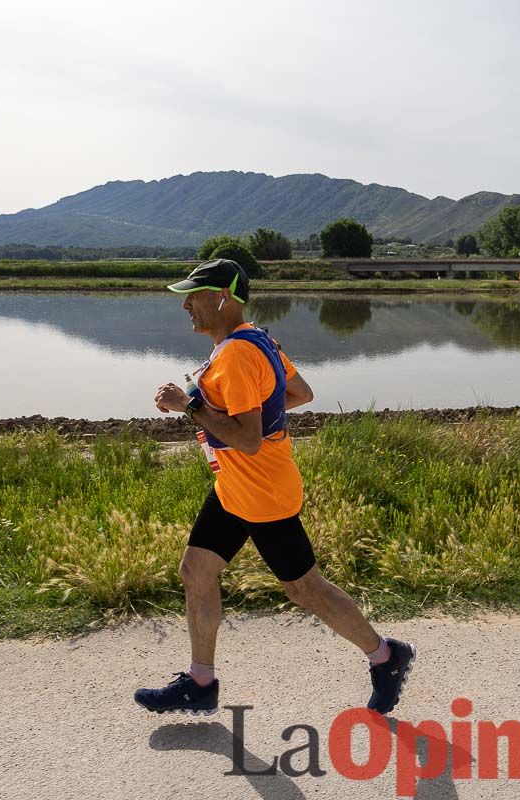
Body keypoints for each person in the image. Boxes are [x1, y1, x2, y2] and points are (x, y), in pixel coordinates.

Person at [134, 258, 416, 716]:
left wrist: (189, 407)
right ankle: (201, 683)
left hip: (262, 493)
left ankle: (387, 657)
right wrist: (249, 409)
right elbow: (300, 392)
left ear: (223, 297)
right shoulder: (253, 340)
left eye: (193, 294)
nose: (185, 303)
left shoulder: (238, 355)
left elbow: (246, 439)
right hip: (235, 489)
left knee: (305, 588)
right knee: (196, 571)